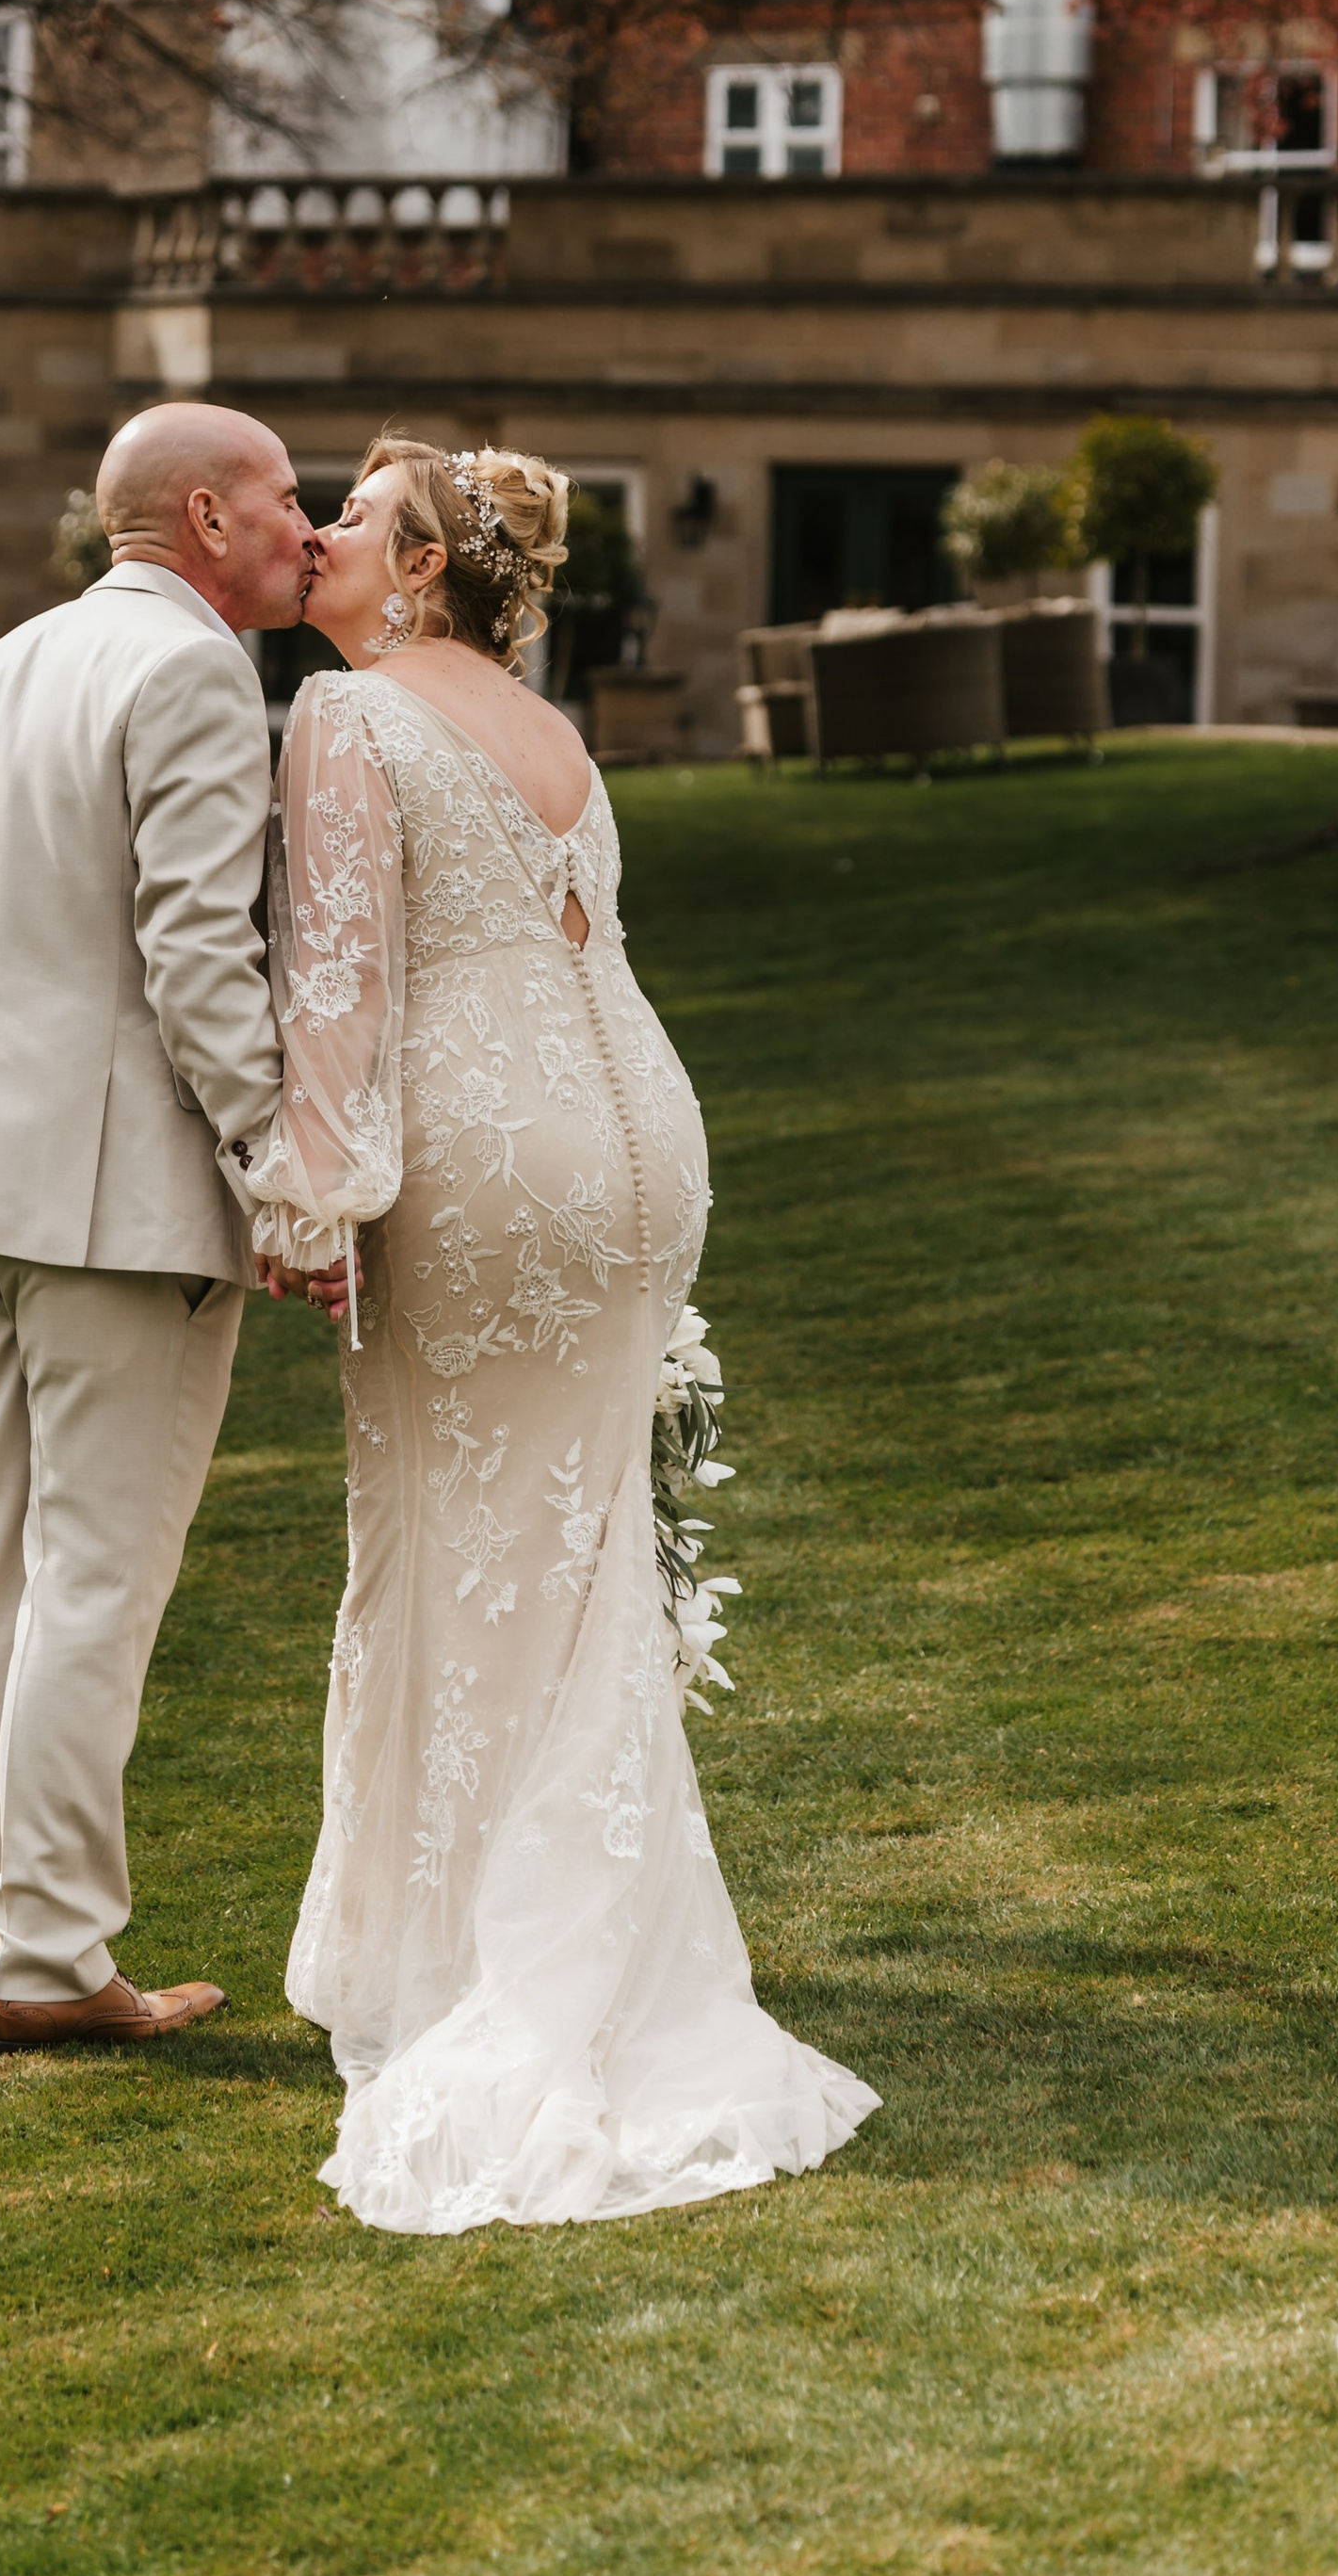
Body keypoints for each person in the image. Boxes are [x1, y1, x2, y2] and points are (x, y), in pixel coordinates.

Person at [244, 437, 878, 2230]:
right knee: (571, 1543)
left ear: (426, 565)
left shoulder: (346, 717)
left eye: (352, 518)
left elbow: (342, 972)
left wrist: (311, 1194)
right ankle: (530, 1930)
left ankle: (472, 1965)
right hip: (637, 1149)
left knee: (453, 1537)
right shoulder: (548, 726)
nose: (318, 535)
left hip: (486, 1162)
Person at [0, 403, 316, 2050]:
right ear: (203, 513)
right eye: (282, 495)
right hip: (113, 1203)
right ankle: (55, 1961)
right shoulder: (195, 669)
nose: (304, 519)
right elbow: (201, 949)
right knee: (92, 1574)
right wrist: (279, 1162)